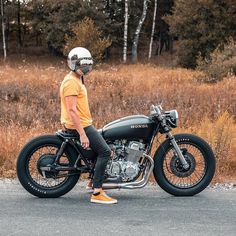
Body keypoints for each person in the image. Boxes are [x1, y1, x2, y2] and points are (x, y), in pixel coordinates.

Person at [60, 47, 117, 204]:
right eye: (82, 65)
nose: (85, 68)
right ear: (73, 64)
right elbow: (72, 110)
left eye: (87, 65)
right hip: (80, 125)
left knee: (100, 149)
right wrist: (83, 134)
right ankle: (97, 193)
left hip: (84, 123)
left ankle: (93, 181)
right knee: (105, 152)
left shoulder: (77, 79)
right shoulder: (71, 82)